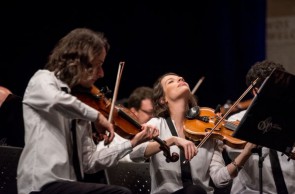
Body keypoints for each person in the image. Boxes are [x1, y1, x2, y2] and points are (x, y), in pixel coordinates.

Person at [16, 28, 159, 194]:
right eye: (98, 65)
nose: (101, 73)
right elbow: (56, 100)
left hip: (69, 186)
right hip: (39, 185)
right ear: (79, 61)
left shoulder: (82, 106)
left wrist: (131, 144)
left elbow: (89, 162)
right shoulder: (42, 80)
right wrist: (97, 116)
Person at [129, 72, 256, 194]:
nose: (180, 79)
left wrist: (245, 154)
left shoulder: (208, 131)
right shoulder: (157, 124)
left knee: (195, 191)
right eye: (171, 81)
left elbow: (219, 179)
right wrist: (172, 140)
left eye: (181, 78)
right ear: (163, 99)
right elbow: (134, 154)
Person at [225, 60, 295, 194]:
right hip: (253, 191)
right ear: (256, 91)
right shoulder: (236, 120)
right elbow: (238, 162)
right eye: (274, 88)